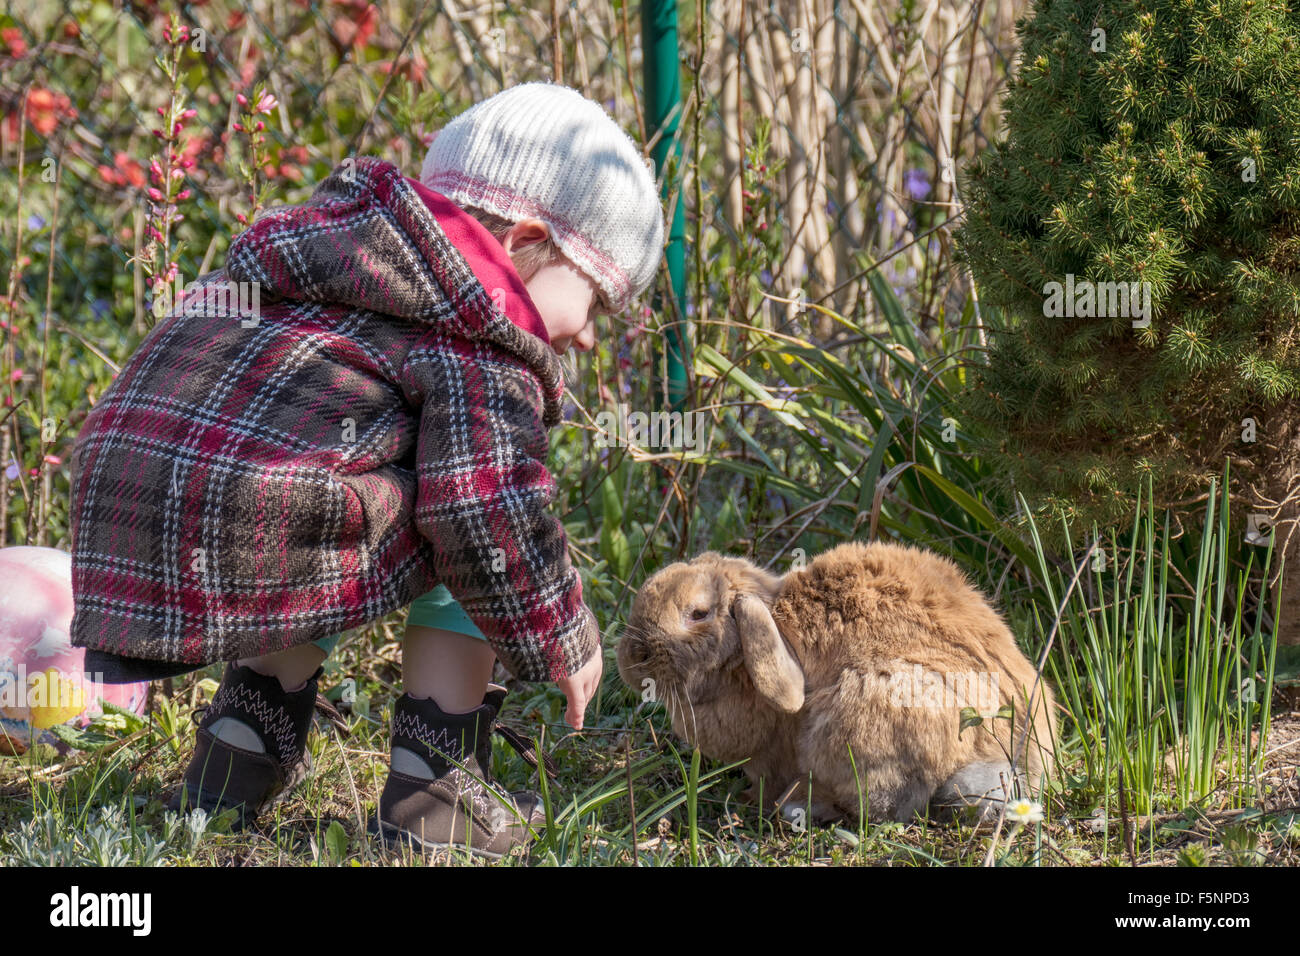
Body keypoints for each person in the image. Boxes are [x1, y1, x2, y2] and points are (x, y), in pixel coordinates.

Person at [66, 82, 665, 858]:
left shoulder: (329, 248)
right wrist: (563, 630)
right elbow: (484, 511)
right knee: (465, 506)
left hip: (134, 498)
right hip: (256, 519)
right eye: (596, 303)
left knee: (329, 468)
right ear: (521, 241)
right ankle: (435, 785)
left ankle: (243, 740)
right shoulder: (481, 331)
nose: (586, 338)